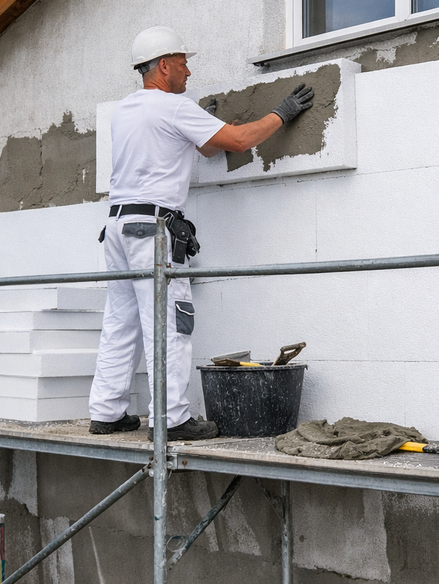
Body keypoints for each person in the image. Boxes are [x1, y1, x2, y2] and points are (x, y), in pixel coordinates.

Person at [89, 26, 314, 440]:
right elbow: (239, 140)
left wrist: (204, 122)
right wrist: (281, 113)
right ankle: (172, 420)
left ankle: (106, 412)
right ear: (163, 66)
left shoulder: (127, 110)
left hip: (118, 229)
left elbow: (208, 146)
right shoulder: (174, 107)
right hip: (152, 232)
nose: (188, 71)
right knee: (171, 323)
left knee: (120, 322)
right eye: (183, 63)